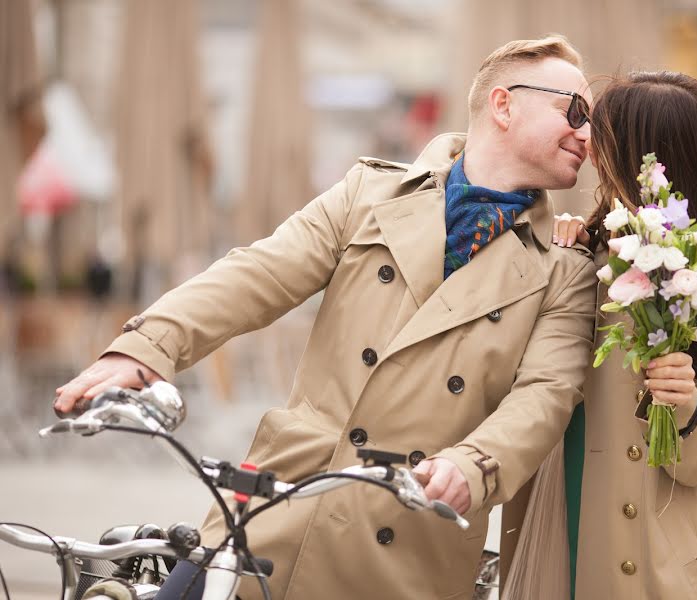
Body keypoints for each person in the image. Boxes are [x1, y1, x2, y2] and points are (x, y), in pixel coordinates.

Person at [54, 36, 598, 600]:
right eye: (574, 111)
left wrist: (475, 465)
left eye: (594, 121)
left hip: (409, 546)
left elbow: (546, 394)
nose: (587, 133)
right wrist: (146, 348)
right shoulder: (370, 192)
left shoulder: (564, 269)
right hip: (279, 512)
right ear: (504, 105)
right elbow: (258, 274)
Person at [503, 71, 697, 600]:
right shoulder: (588, 255)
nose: (585, 141)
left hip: (664, 550)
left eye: (596, 130)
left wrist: (683, 399)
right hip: (567, 513)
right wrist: (566, 253)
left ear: (640, 156)